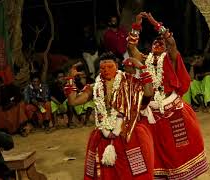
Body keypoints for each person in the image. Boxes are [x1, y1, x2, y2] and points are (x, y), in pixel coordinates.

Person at [127, 12, 209, 179]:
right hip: (152, 112)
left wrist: (155, 23)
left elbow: (171, 42)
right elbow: (130, 48)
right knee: (154, 147)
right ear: (150, 47)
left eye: (161, 43)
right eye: (156, 42)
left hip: (172, 109)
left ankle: (183, 173)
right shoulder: (145, 60)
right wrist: (136, 26)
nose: (159, 44)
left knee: (178, 146)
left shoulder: (170, 58)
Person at [65, 52, 155, 180]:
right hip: (104, 136)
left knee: (133, 173)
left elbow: (148, 93)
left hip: (127, 134)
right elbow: (73, 101)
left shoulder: (129, 81)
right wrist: (70, 79)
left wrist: (142, 68)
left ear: (117, 66)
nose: (106, 70)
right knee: (107, 173)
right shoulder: (94, 87)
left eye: (110, 66)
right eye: (102, 68)